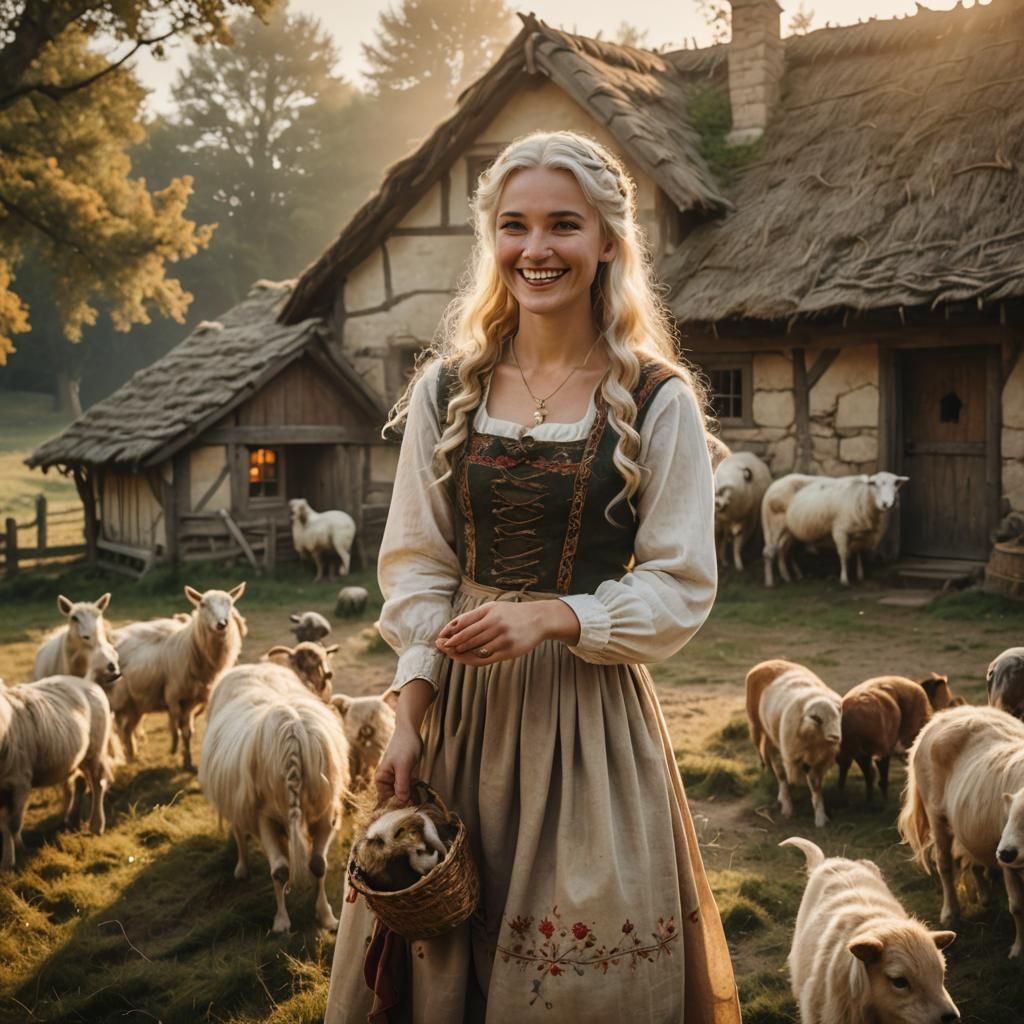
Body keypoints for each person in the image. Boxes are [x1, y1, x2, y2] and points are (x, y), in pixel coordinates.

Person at [325, 130, 741, 1024]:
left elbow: (681, 585)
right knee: (442, 944)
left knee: (569, 973)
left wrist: (556, 616)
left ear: (608, 242)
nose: (536, 248)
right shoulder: (448, 389)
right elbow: (419, 565)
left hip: (586, 721)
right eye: (514, 226)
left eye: (563, 225)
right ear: (493, 240)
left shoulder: (657, 398)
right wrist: (410, 714)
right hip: (458, 714)